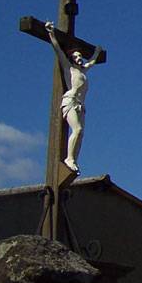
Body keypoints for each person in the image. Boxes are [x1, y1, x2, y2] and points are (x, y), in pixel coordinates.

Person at [45, 21, 102, 173]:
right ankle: (69, 158)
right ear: (71, 58)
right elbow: (58, 50)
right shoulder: (69, 69)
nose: (79, 58)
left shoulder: (83, 71)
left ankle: (73, 159)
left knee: (80, 132)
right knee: (77, 129)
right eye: (76, 56)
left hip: (81, 105)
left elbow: (92, 62)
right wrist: (51, 33)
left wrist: (97, 52)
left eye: (80, 56)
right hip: (70, 101)